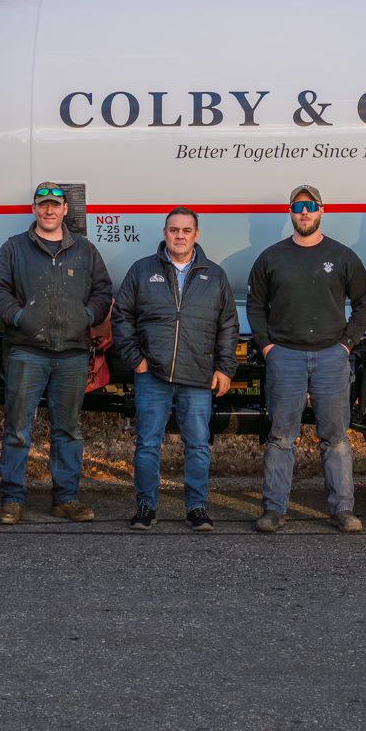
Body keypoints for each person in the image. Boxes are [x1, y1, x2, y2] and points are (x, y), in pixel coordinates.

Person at [0, 181, 114, 524]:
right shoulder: (14, 248)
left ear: (65, 210)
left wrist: (86, 316)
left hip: (71, 353)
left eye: (55, 205)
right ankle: (12, 500)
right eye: (43, 205)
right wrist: (20, 317)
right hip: (27, 352)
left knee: (68, 430)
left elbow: (103, 291)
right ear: (35, 209)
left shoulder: (85, 250)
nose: (49, 210)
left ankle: (65, 499)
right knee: (17, 430)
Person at [247, 184, 366, 534]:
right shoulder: (272, 258)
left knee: (335, 437)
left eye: (311, 206)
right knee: (281, 437)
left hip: (331, 357)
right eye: (299, 206)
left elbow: (363, 304)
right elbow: (256, 306)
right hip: (284, 356)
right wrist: (268, 347)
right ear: (290, 211)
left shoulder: (342, 256)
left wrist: (346, 344)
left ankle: (343, 510)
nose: (305, 212)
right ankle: (274, 509)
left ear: (321, 210)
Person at [112, 208, 238, 531]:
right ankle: (145, 505)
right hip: (153, 373)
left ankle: (196, 507)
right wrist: (136, 358)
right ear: (164, 233)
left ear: (196, 235)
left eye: (186, 230)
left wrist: (224, 367)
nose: (179, 236)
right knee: (147, 443)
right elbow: (121, 315)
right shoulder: (142, 271)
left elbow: (228, 325)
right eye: (173, 230)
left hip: (197, 374)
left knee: (197, 444)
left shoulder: (215, 276)